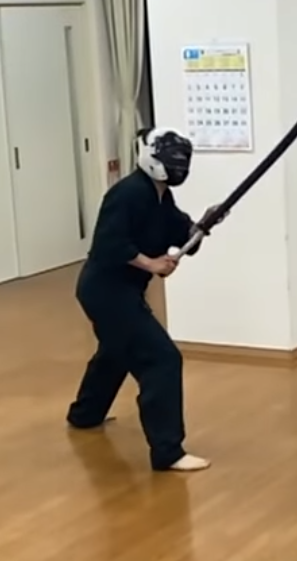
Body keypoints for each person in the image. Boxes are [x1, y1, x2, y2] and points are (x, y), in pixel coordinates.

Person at [67, 127, 221, 472]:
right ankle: (168, 451)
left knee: (117, 350)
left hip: (121, 290)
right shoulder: (128, 193)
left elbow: (181, 232)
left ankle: (85, 414)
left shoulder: (161, 197)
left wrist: (203, 226)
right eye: (172, 160)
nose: (178, 167)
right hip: (105, 290)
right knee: (161, 358)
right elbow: (109, 244)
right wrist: (151, 264)